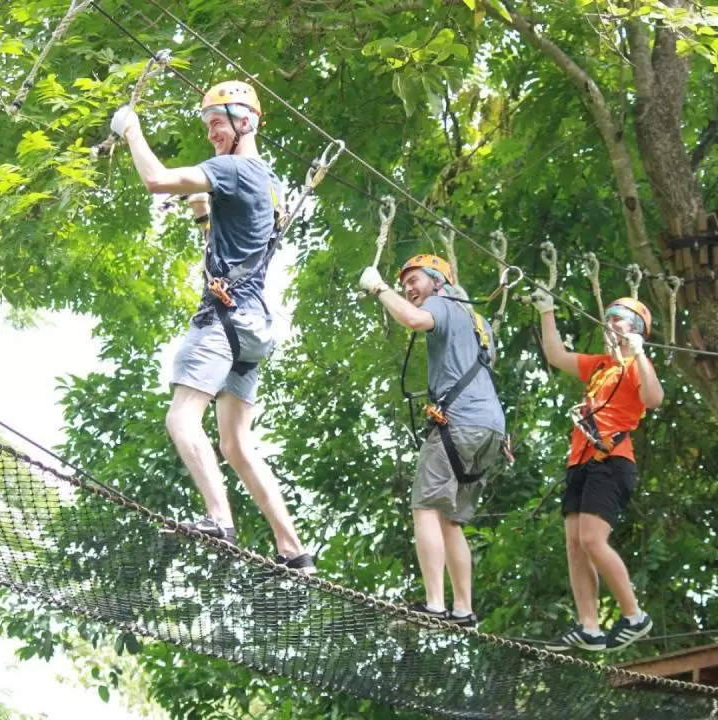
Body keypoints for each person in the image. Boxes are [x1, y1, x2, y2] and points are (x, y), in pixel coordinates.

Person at [110, 81, 313, 573]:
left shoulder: (234, 167)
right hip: (254, 325)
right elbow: (230, 237)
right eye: (209, 127)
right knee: (236, 444)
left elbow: (156, 179)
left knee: (181, 419)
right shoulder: (268, 180)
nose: (212, 134)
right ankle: (294, 550)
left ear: (246, 122)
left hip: (222, 321)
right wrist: (201, 211)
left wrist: (132, 130)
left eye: (218, 123)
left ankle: (219, 518)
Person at [359, 255, 506, 627]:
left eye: (415, 280)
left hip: (458, 425)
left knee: (425, 506)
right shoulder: (478, 321)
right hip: (489, 430)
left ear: (438, 280)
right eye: (404, 282)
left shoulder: (441, 303)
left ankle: (435, 605)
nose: (409, 288)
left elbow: (413, 320)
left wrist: (380, 288)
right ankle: (463, 609)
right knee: (450, 520)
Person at [531, 287, 663, 652]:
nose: (609, 323)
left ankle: (634, 615)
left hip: (612, 459)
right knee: (575, 545)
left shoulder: (634, 364)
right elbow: (556, 355)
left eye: (617, 318)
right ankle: (589, 626)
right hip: (581, 460)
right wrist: (547, 312)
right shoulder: (600, 365)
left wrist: (639, 353)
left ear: (635, 327)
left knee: (591, 539)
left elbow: (653, 399)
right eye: (608, 318)